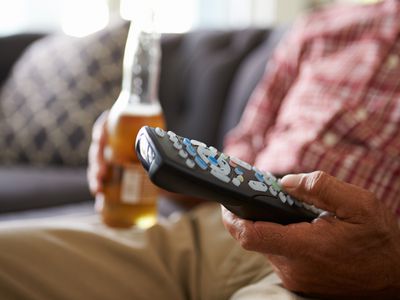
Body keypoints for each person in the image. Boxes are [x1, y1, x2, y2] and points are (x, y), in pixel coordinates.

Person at [1, 0, 400, 299]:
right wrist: (171, 177)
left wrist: (389, 269)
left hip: (342, 270)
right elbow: (240, 157)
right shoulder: (318, 30)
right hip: (209, 230)